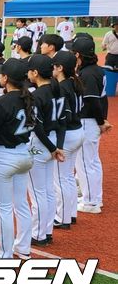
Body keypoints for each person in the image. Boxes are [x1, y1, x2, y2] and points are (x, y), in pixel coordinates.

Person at [0, 58, 35, 261]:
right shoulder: (30, 97)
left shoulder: (2, 102)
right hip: (25, 154)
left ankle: (4, 254)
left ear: (5, 78)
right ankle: (24, 248)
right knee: (21, 204)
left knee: (3, 208)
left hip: (4, 157)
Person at [26, 54, 66, 246]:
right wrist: (58, 146)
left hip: (40, 145)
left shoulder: (37, 95)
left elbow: (37, 127)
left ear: (35, 73)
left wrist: (52, 148)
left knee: (37, 192)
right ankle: (46, 231)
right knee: (48, 190)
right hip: (51, 142)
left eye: (29, 70)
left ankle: (38, 234)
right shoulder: (56, 90)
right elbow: (62, 123)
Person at [72, 36, 112, 214]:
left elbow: (94, 102)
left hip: (88, 122)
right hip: (91, 122)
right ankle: (95, 197)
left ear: (78, 54)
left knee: (86, 162)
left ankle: (91, 203)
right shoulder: (95, 70)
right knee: (92, 162)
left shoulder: (88, 73)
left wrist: (101, 121)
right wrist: (102, 120)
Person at [52, 51, 84, 228]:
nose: (52, 69)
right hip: (78, 131)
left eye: (54, 66)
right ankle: (70, 213)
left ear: (60, 68)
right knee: (68, 177)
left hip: (68, 134)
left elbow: (64, 117)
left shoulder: (63, 86)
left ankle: (62, 217)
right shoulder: (74, 82)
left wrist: (58, 143)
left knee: (60, 178)